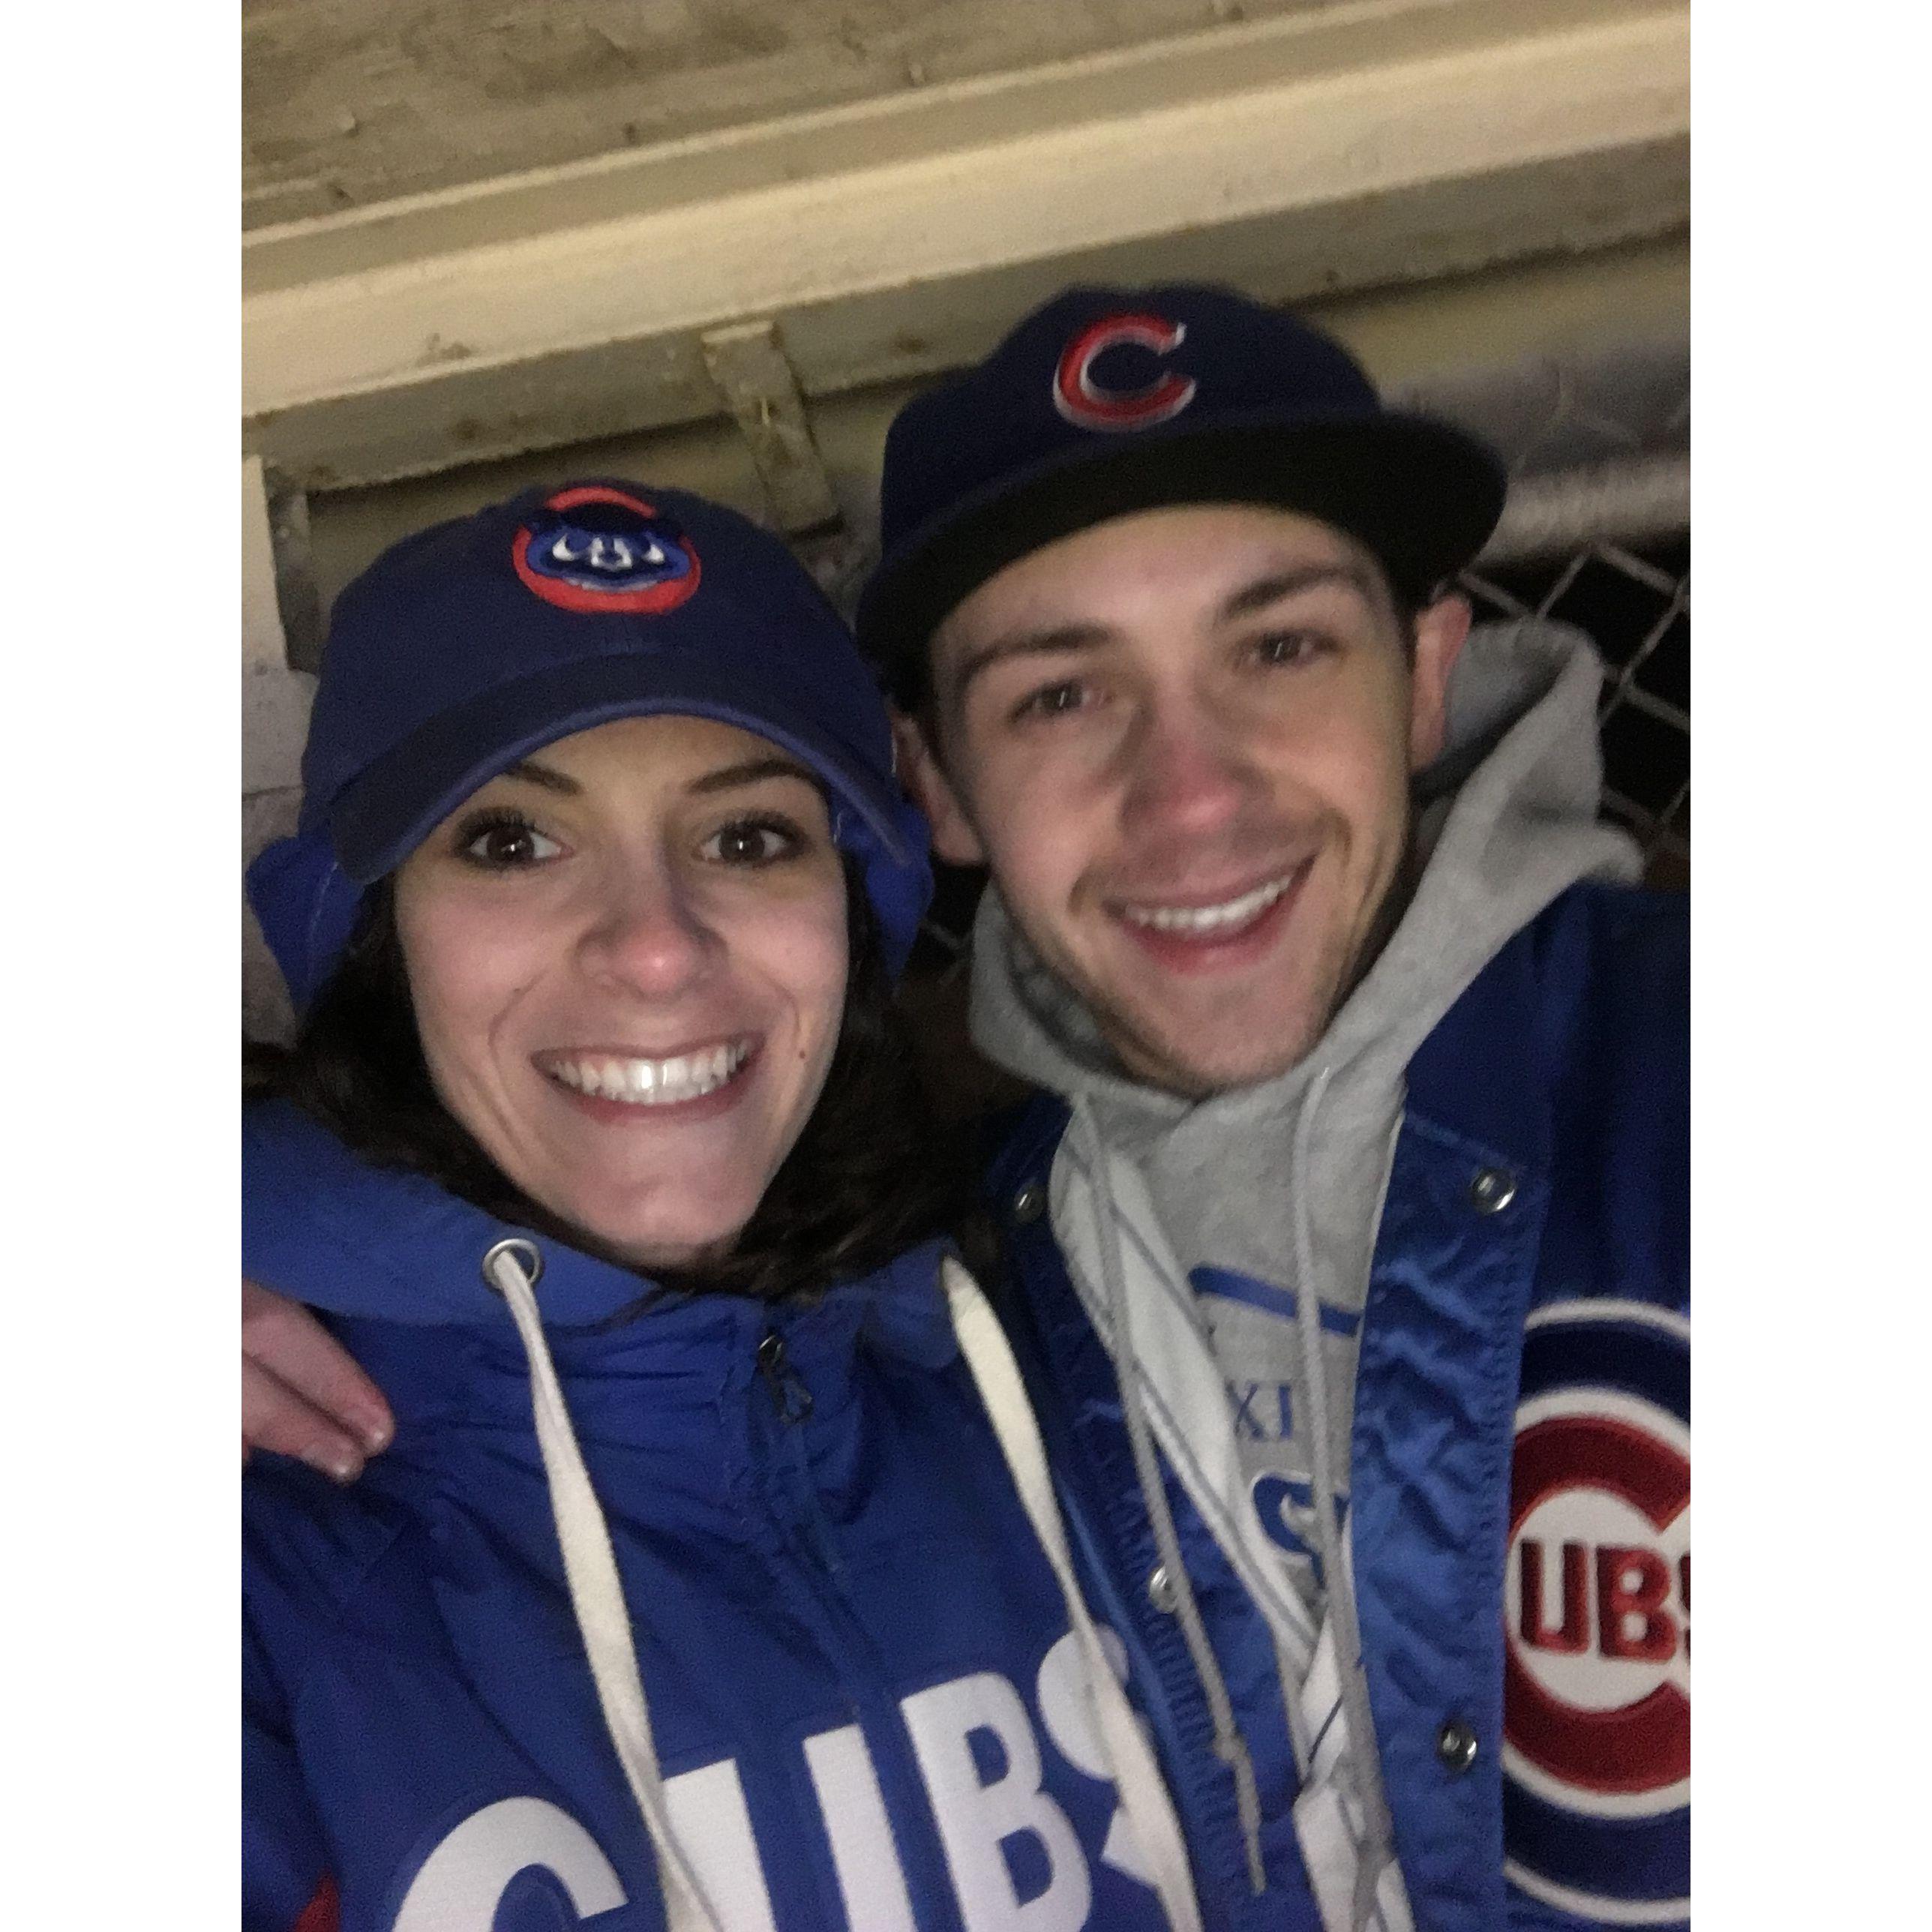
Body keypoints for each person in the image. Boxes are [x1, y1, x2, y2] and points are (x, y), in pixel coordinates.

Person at [248, 288, 1690, 1932]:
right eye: (1060, 693)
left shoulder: (952, 1343)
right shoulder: (1006, 1268)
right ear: (935, 785)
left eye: (1277, 647)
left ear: (1427, 673)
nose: (1192, 794)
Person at [240, 479, 1202, 1932]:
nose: (654, 949)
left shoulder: (1073, 1369)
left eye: (748, 837)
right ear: (377, 937)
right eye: (511, 841)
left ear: (850, 924)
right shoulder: (256, 1556)